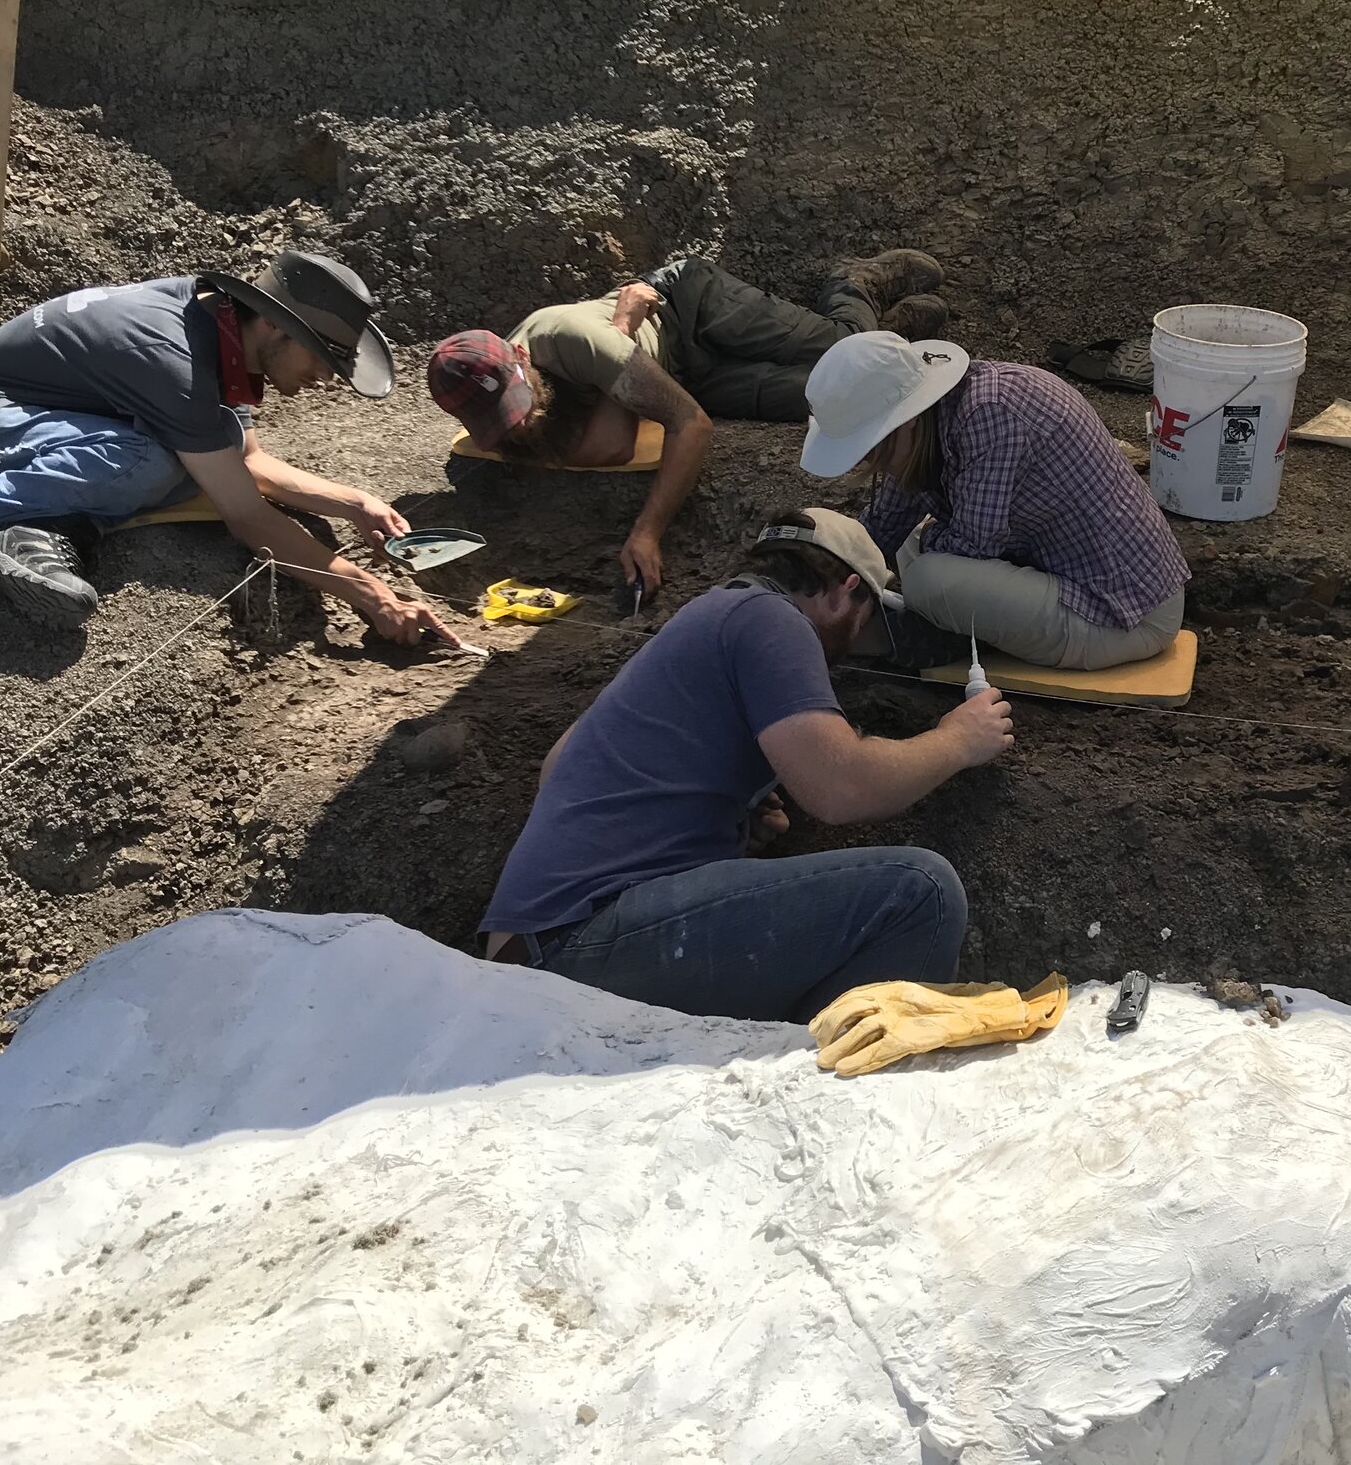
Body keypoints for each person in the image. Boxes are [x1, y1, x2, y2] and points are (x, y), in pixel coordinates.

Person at [480, 508, 1013, 1021]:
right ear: (848, 591)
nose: (857, 642)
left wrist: (716, 823)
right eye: (866, 618)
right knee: (919, 892)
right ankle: (837, 1090)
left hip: (535, 945)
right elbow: (842, 789)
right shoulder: (771, 619)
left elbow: (559, 765)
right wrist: (957, 740)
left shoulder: (713, 615)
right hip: (575, 943)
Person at [0, 252, 454, 644]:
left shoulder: (214, 325)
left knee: (181, 463)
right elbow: (246, 514)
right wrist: (372, 596)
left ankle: (30, 526)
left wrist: (354, 502)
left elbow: (247, 460)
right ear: (273, 326)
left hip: (16, 426)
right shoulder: (175, 361)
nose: (323, 379)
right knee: (151, 463)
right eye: (323, 358)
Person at [426, 250, 947, 594]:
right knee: (820, 398)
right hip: (679, 371)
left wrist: (647, 532)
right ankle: (890, 331)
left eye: (517, 405)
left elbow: (691, 425)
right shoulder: (493, 409)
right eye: (503, 421)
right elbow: (610, 446)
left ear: (521, 355)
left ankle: (857, 284)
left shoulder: (572, 338)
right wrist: (626, 330)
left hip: (687, 308)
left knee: (839, 346)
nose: (519, 425)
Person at [801, 331, 1189, 671]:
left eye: (870, 446)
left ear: (905, 421)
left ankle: (945, 635)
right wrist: (827, 578)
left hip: (1125, 613)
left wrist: (850, 591)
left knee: (926, 579)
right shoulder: (934, 418)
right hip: (1071, 574)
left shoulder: (992, 413)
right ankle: (948, 625)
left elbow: (974, 547)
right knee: (912, 549)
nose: (868, 461)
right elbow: (882, 530)